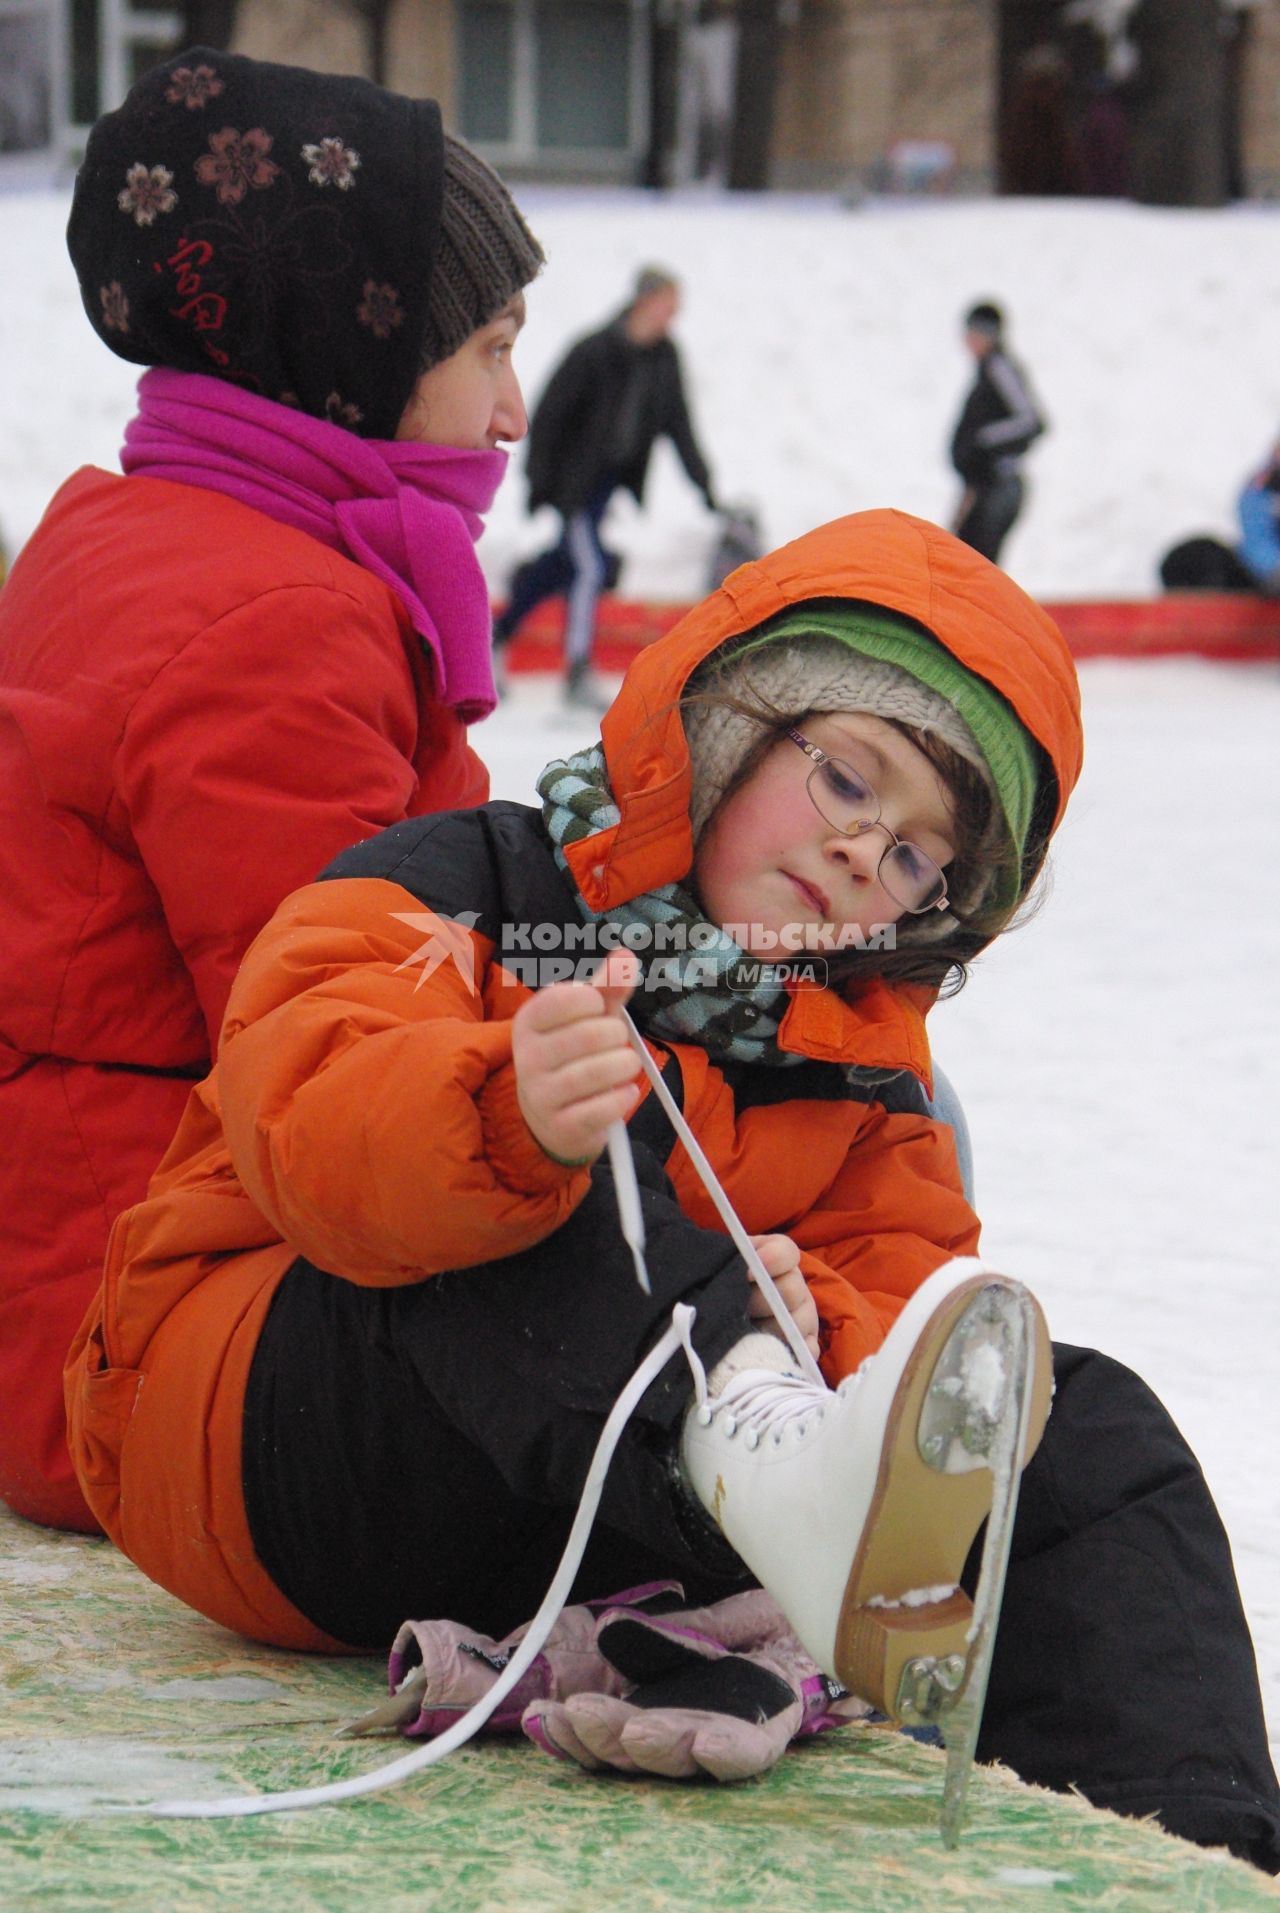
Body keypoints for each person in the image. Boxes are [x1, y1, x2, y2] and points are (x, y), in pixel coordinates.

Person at [65, 510, 1279, 1871]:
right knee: (567, 1180)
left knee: (1071, 1420)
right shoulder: (467, 883)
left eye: (917, 858)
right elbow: (303, 1114)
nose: (862, 855)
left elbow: (903, 1294)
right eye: (845, 779)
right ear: (727, 726)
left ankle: (1212, 1858)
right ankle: (762, 1453)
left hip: (603, 1507)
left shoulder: (864, 1068)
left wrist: (808, 1319)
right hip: (264, 1438)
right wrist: (500, 1112)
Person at [0, 46, 544, 1534]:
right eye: (489, 346)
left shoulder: (137, 528)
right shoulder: (274, 626)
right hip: (147, 1337)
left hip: (75, 1265)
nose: (513, 412)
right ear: (354, 350)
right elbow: (352, 1050)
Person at [491, 265, 718, 709]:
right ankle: (577, 671)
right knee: (591, 568)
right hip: (572, 486)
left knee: (565, 566)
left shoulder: (663, 359)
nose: (672, 315)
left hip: (605, 488)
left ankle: (493, 638)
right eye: (667, 304)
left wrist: (703, 485)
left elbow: (678, 423)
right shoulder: (594, 351)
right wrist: (539, 483)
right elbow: (551, 414)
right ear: (645, 301)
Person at [949, 301, 1046, 566]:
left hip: (998, 485)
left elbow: (1032, 421)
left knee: (974, 567)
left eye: (973, 332)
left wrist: (982, 442)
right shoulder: (987, 369)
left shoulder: (998, 366)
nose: (967, 339)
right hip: (985, 486)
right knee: (967, 562)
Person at [1159, 437, 1280, 593]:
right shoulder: (1265, 484)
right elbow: (1256, 536)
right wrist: (1273, 568)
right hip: (1262, 579)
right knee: (1190, 558)